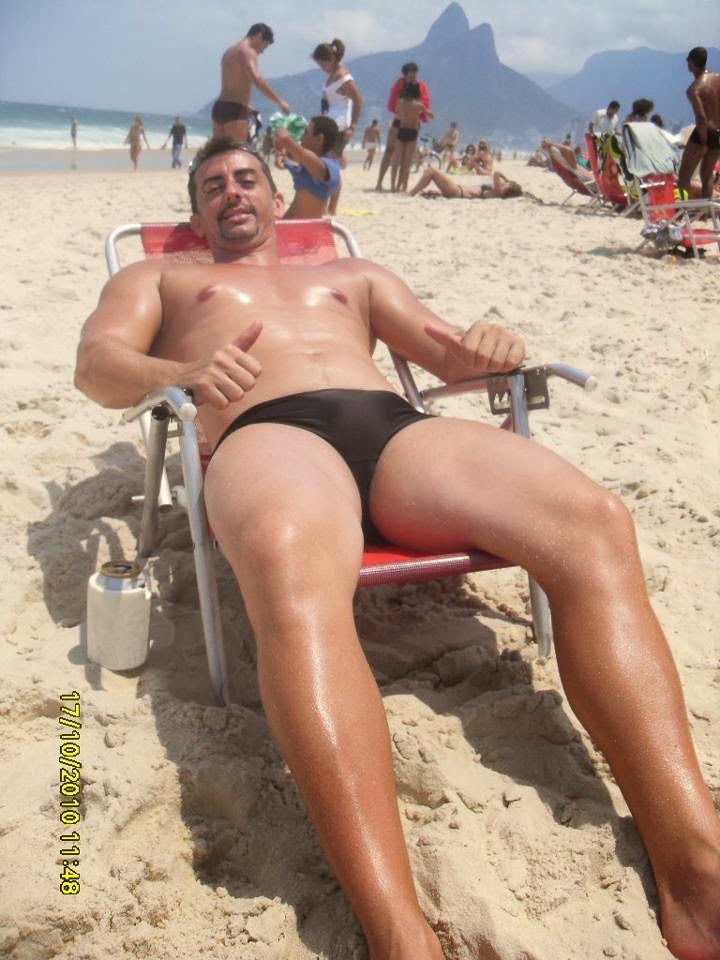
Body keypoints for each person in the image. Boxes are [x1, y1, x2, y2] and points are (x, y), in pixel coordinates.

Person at [75, 137, 720, 960]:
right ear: (195, 213)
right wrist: (183, 369)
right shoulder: (161, 278)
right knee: (289, 564)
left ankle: (697, 869)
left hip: (395, 432)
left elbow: (447, 354)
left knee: (593, 522)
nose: (232, 193)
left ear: (279, 198)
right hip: (268, 433)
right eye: (212, 187)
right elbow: (97, 366)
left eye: (246, 179)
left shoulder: (355, 274)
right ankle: (399, 935)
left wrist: (489, 346)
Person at [212, 23, 290, 143]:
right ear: (259, 36)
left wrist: (246, 105)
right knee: (238, 151)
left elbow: (232, 83)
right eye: (264, 46)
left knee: (219, 151)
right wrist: (279, 101)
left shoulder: (229, 51)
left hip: (220, 107)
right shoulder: (248, 51)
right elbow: (256, 78)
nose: (261, 51)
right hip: (234, 110)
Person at [312, 39, 363, 216]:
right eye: (319, 64)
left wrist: (353, 127)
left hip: (340, 126)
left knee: (331, 168)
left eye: (324, 63)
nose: (322, 67)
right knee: (326, 165)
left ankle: (332, 208)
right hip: (329, 124)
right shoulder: (332, 75)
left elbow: (358, 100)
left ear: (332, 59)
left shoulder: (342, 76)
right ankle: (326, 206)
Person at [375, 62, 432, 191]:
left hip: (412, 125)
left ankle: (400, 186)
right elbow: (393, 103)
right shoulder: (399, 84)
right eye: (410, 76)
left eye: (415, 75)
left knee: (406, 158)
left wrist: (415, 107)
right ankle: (379, 182)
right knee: (389, 150)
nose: (413, 78)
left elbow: (425, 104)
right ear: (405, 75)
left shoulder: (420, 86)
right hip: (398, 122)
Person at [273, 115, 340, 219]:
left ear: (319, 139)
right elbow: (289, 156)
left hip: (301, 227)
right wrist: (280, 157)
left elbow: (284, 138)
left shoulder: (322, 167)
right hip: (292, 224)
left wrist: (281, 125)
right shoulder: (318, 166)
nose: (301, 137)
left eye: (306, 132)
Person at [677, 46, 720, 200]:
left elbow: (701, 116)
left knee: (684, 176)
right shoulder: (718, 79)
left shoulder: (694, 89)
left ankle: (682, 209)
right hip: (718, 133)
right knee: (707, 176)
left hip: (704, 132)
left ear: (691, 63)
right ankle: (706, 210)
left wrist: (702, 142)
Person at [391, 83, 435, 192]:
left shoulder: (400, 102)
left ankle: (393, 186)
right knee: (407, 163)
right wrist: (429, 113)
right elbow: (430, 115)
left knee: (396, 161)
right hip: (412, 132)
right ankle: (403, 187)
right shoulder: (419, 105)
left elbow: (397, 112)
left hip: (402, 130)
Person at [409, 167, 522, 199]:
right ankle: (414, 192)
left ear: (508, 189)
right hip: (458, 191)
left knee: (432, 171)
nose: (504, 183)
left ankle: (410, 193)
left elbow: (496, 173)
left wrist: (506, 179)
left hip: (458, 192)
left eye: (507, 184)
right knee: (431, 174)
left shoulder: (498, 192)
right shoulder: (497, 192)